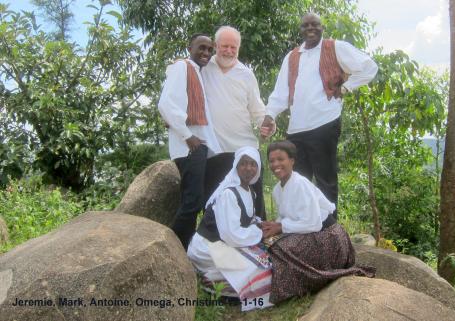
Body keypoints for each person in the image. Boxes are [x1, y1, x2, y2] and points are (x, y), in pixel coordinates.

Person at [261, 13, 378, 218]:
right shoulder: (292, 56)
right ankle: (302, 228)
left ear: (322, 27)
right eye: (305, 25)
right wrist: (270, 115)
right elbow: (280, 92)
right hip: (296, 128)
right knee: (298, 181)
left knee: (326, 180)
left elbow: (369, 67)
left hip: (324, 123)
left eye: (314, 24)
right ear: (301, 29)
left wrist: (346, 88)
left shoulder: (335, 47)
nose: (310, 28)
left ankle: (330, 232)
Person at [263, 140, 375, 303]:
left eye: (281, 159)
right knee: (271, 243)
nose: (276, 164)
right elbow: (286, 216)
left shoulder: (300, 184)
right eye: (272, 161)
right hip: (313, 233)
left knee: (280, 248)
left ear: (292, 161)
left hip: (329, 238)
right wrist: (273, 225)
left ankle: (297, 285)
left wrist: (280, 227)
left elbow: (313, 224)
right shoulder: (277, 190)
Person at [188, 146, 273, 311]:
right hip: (210, 246)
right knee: (258, 270)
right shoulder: (228, 193)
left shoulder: (250, 192)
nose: (248, 168)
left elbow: (245, 219)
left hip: (228, 242)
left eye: (253, 164)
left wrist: (259, 223)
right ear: (236, 166)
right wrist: (259, 232)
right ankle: (211, 282)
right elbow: (231, 234)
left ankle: (223, 281)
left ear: (258, 168)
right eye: (243, 163)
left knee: (268, 261)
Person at [158, 34, 221, 249]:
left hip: (199, 145)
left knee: (198, 200)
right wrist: (188, 135)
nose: (205, 53)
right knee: (192, 202)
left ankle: (188, 250)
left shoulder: (197, 72)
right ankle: (170, 251)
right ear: (189, 47)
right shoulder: (181, 67)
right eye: (201, 48)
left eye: (209, 49)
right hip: (189, 146)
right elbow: (166, 104)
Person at [202, 26, 270, 219]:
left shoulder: (246, 74)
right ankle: (215, 247)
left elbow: (257, 110)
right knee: (214, 203)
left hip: (244, 149)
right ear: (215, 45)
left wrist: (266, 124)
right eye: (225, 46)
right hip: (213, 151)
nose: (229, 51)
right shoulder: (204, 68)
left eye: (234, 47)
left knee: (254, 203)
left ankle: (259, 245)